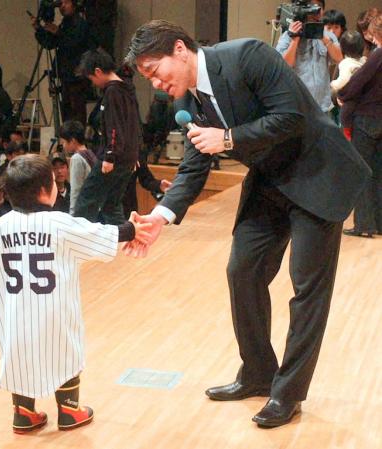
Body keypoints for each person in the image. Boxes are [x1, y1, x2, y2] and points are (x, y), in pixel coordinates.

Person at [124, 20, 371, 428]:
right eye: (148, 77)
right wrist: (160, 215)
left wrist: (228, 139)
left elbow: (292, 115)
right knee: (243, 271)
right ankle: (257, 373)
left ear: (180, 49)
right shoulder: (189, 97)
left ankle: (287, 394)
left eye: (155, 70)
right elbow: (194, 161)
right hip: (269, 182)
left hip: (317, 174)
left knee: (307, 288)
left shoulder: (246, 56)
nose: (155, 83)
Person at [0, 154, 151, 434]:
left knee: (18, 360)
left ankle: (23, 414)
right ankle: (69, 410)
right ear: (48, 189)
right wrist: (131, 229)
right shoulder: (59, 223)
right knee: (64, 355)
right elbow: (99, 234)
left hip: (14, 318)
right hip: (55, 314)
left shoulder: (1, 227)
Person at [74, 49, 141, 224]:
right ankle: (122, 240)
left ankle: (79, 243)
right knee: (111, 204)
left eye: (92, 79)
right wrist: (136, 155)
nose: (94, 84)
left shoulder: (113, 92)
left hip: (114, 157)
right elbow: (134, 126)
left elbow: (114, 126)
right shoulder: (128, 89)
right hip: (128, 157)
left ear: (97, 71)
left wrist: (110, 156)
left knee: (85, 201)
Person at [338, 14, 382, 238]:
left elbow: (360, 79)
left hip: (367, 118)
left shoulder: (378, 55)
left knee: (363, 172)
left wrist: (342, 94)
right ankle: (379, 222)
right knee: (379, 172)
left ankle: (364, 224)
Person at [33, 0, 98, 125]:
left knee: (76, 111)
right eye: (60, 3)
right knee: (66, 111)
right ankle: (68, 139)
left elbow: (74, 44)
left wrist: (58, 33)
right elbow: (50, 43)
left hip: (77, 75)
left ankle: (77, 139)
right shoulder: (65, 24)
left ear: (74, 5)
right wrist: (39, 29)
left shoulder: (80, 23)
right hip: (66, 75)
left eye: (66, 3)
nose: (62, 6)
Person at [276, 0, 343, 113]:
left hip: (323, 106)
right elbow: (284, 66)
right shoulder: (287, 37)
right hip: (298, 107)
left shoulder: (328, 36)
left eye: (320, 7)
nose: (317, 11)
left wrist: (322, 37)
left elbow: (339, 59)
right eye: (312, 7)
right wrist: (295, 40)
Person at [59, 120, 96, 215]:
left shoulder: (77, 158)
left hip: (83, 209)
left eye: (64, 142)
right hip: (94, 206)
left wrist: (72, 214)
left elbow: (76, 190)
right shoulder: (91, 154)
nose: (63, 146)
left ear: (72, 141)